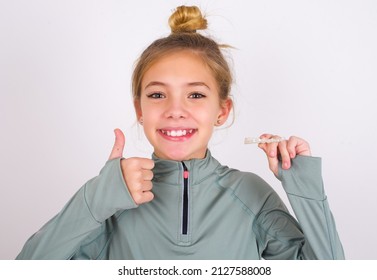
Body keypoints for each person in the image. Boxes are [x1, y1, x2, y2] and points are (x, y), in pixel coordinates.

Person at [16, 5, 344, 260]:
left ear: (222, 111)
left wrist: (304, 186)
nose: (175, 109)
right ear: (139, 111)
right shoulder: (111, 200)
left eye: (196, 95)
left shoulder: (251, 196)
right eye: (158, 95)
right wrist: (96, 198)